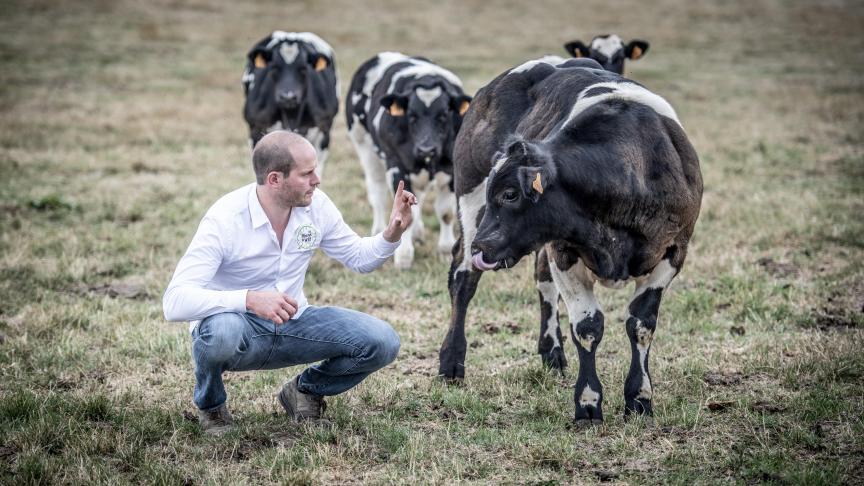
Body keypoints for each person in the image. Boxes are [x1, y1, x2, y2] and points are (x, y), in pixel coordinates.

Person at [162, 130, 417, 435]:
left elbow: (359, 258)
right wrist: (249, 299)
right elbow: (174, 301)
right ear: (274, 180)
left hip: (295, 322)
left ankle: (304, 391)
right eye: (307, 173)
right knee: (221, 331)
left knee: (382, 341)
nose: (317, 179)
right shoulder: (225, 218)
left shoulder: (316, 206)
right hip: (238, 331)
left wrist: (392, 233)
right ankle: (212, 406)